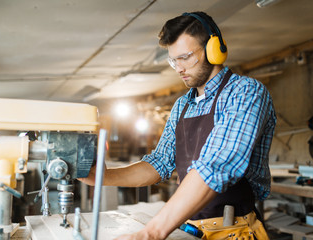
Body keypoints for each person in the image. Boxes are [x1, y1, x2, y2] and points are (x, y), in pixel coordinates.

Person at [79, 11, 276, 240]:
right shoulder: (183, 105)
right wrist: (102, 177)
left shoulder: (245, 92)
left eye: (186, 57)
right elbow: (159, 163)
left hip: (234, 230)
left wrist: (151, 232)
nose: (179, 68)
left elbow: (215, 166)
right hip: (192, 230)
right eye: (174, 60)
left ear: (214, 49)